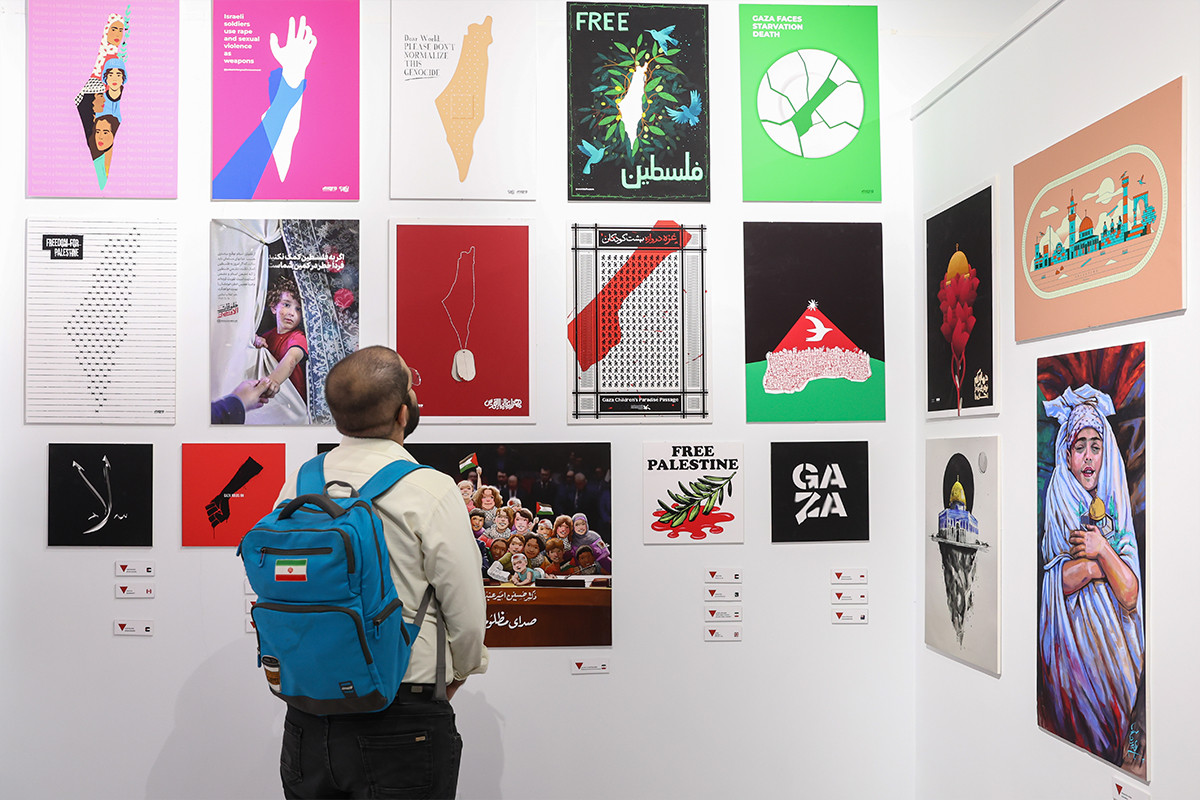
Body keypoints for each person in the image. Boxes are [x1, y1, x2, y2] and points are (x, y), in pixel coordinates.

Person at [271, 346, 487, 799]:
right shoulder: (429, 488)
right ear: (403, 412)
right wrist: (459, 674)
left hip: (308, 717)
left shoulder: (300, 483)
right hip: (401, 714)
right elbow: (466, 608)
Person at [1039, 384, 1143, 766]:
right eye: (1079, 446)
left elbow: (1130, 593)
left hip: (1116, 664)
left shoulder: (1115, 504)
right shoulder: (1059, 500)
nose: (1087, 457)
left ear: (1105, 453)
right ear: (1067, 455)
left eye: (1095, 446)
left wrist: (1100, 548)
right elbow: (1060, 579)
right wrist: (1103, 565)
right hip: (1073, 663)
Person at [255, 274, 308, 402]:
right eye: (286, 305)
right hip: (274, 399)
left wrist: (273, 381)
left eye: (298, 309)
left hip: (292, 402)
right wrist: (256, 340)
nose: (292, 313)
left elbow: (292, 358)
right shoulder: (268, 336)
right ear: (274, 307)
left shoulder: (298, 337)